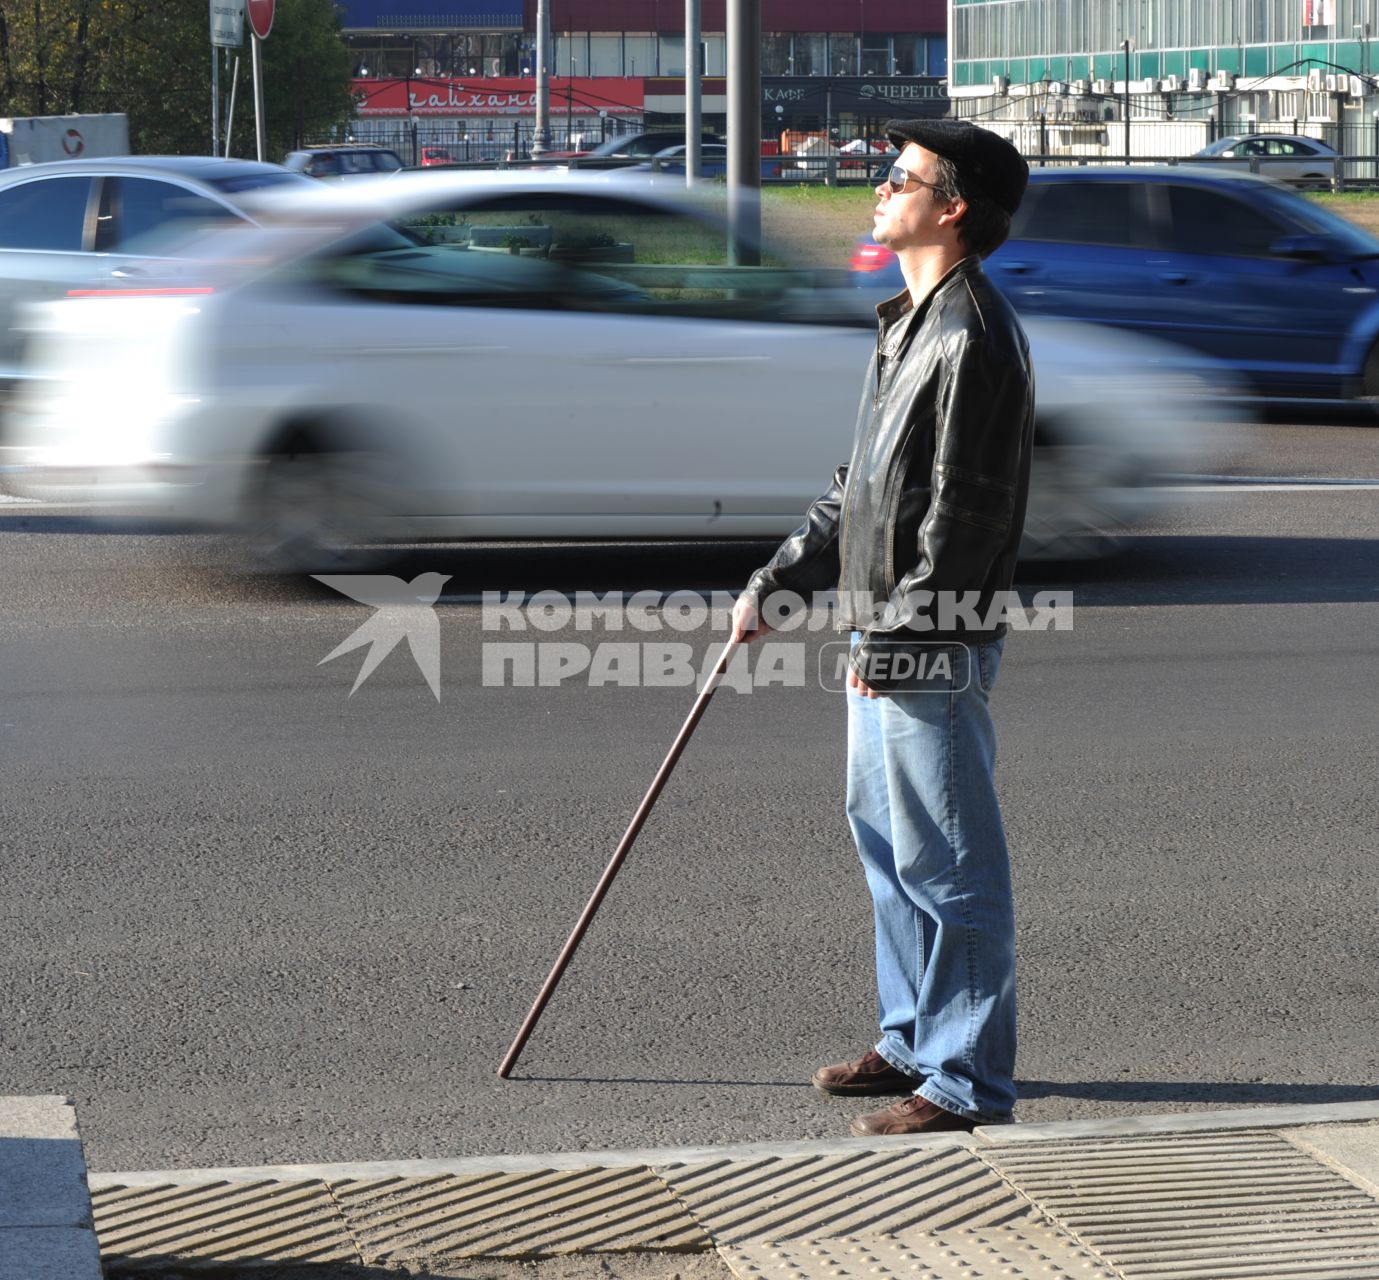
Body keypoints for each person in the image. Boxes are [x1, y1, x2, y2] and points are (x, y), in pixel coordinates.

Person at [731, 119, 1035, 1136]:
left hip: (926, 640)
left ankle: (962, 1080)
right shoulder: (908, 320)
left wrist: (901, 638)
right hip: (884, 634)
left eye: (897, 177)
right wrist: (781, 579)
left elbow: (965, 515)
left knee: (951, 867)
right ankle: (911, 1038)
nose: (876, 188)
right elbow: (858, 489)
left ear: (950, 207)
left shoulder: (970, 336)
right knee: (891, 852)